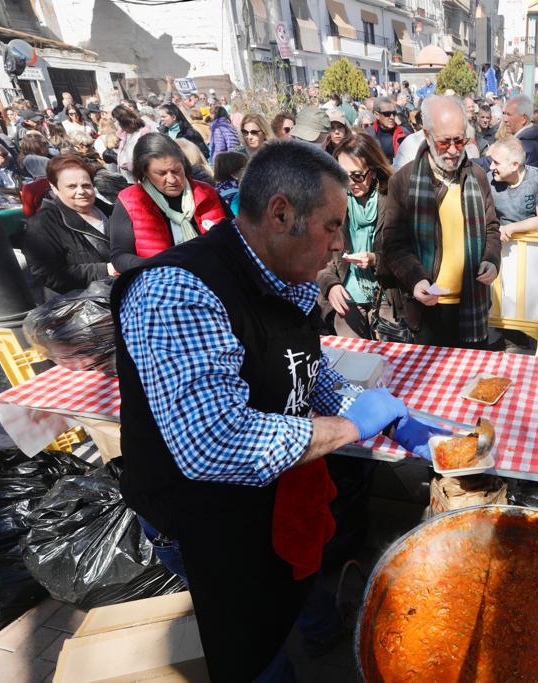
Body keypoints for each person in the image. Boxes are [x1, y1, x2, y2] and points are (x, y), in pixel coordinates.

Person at [111, 139, 441, 682]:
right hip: (203, 518)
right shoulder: (177, 290)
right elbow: (213, 443)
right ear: (281, 213)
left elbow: (304, 368)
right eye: (332, 227)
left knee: (291, 591)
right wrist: (349, 427)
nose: (339, 245)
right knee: (253, 651)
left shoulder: (282, 275)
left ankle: (312, 632)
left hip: (267, 502)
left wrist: (383, 414)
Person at [380, 95, 501, 350]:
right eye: (445, 143)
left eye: (460, 140)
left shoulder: (477, 176)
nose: (455, 150)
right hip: (427, 311)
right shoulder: (403, 181)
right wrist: (416, 279)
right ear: (427, 135)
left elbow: (491, 227)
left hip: (472, 306)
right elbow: (393, 243)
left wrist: (491, 259)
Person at [110, 133, 228, 272]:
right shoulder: (130, 200)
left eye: (176, 170)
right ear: (144, 172)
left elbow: (233, 235)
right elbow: (120, 256)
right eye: (161, 173)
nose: (172, 180)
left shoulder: (206, 192)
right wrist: (159, 265)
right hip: (164, 281)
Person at [318, 134, 392, 338]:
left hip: (388, 294)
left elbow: (406, 253)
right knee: (353, 359)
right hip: (347, 291)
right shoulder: (331, 201)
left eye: (357, 175)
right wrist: (330, 285)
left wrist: (375, 259)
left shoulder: (394, 197)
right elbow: (319, 255)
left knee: (390, 359)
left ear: (374, 171)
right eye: (342, 175)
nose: (350, 182)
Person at [24, 154, 116, 294]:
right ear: (54, 188)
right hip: (86, 304)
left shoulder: (110, 211)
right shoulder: (42, 224)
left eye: (86, 185)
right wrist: (107, 270)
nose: (81, 192)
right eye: (71, 186)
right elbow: (47, 274)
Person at [487, 137, 538, 242]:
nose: (491, 167)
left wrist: (510, 228)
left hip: (534, 244)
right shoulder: (489, 180)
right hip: (504, 243)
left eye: (496, 163)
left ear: (514, 166)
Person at [500, 94, 538, 174]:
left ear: (523, 119)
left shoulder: (525, 147)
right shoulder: (528, 141)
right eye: (504, 114)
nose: (505, 119)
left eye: (509, 114)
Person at [113, 104, 155, 182]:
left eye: (116, 120)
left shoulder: (143, 132)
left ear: (123, 120)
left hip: (144, 178)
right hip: (130, 179)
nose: (115, 123)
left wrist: (130, 166)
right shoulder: (124, 134)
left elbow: (149, 155)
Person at [367, 97, 407, 162]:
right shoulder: (367, 135)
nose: (392, 117)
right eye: (387, 114)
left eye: (394, 113)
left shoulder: (404, 134)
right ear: (376, 115)